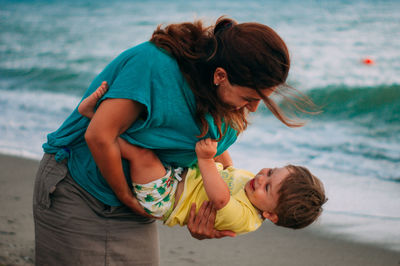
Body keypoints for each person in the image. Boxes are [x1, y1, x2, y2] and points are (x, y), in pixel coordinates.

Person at [33, 16, 316, 265]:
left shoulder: (227, 105)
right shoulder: (155, 67)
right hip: (79, 187)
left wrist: (206, 216)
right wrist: (125, 197)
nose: (253, 108)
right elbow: (98, 135)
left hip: (140, 202)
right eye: (249, 98)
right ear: (220, 75)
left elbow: (213, 154)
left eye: (261, 100)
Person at [79, 83, 327, 234]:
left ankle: (97, 119)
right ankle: (114, 114)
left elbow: (220, 198)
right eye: (271, 171)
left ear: (271, 215)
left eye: (269, 187)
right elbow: (228, 168)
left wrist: (206, 160)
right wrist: (218, 142)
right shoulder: (253, 187)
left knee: (141, 155)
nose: (262, 178)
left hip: (164, 198)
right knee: (153, 140)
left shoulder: (245, 219)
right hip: (176, 178)